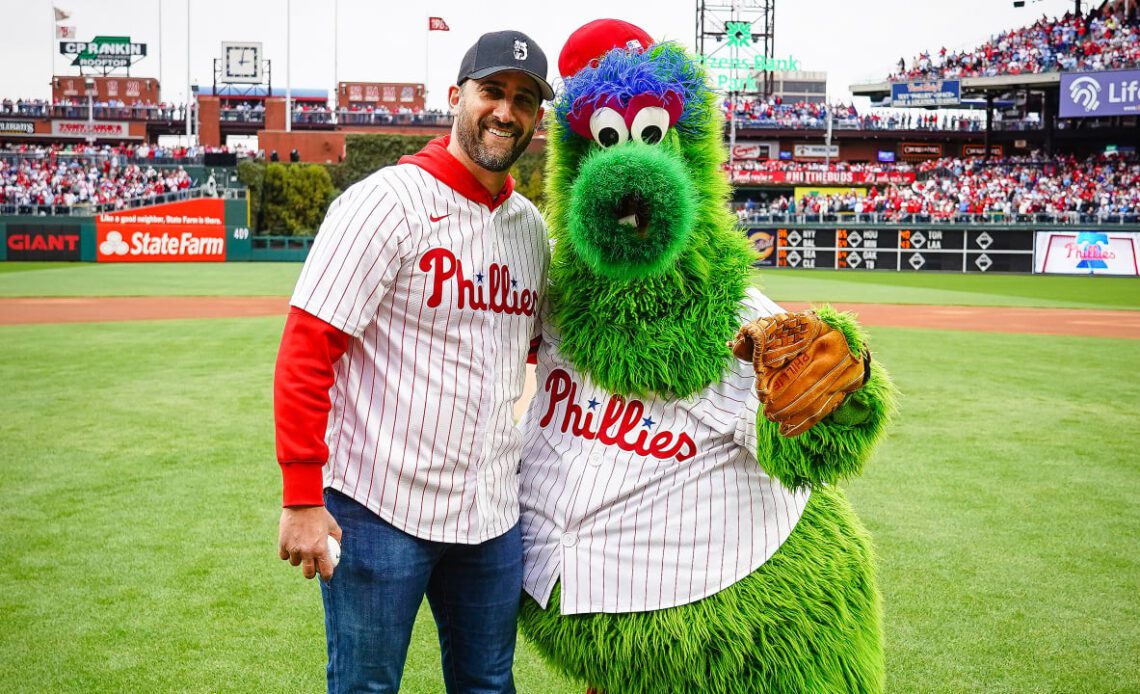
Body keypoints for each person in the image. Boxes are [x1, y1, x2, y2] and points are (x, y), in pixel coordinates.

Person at [273, 29, 553, 694]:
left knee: (488, 684)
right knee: (367, 687)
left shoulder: (530, 229)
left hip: (491, 514)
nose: (506, 111)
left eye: (524, 99)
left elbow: (549, 355)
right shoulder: (385, 202)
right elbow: (307, 349)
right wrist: (302, 498)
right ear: (457, 97)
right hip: (378, 510)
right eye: (492, 92)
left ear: (538, 118)